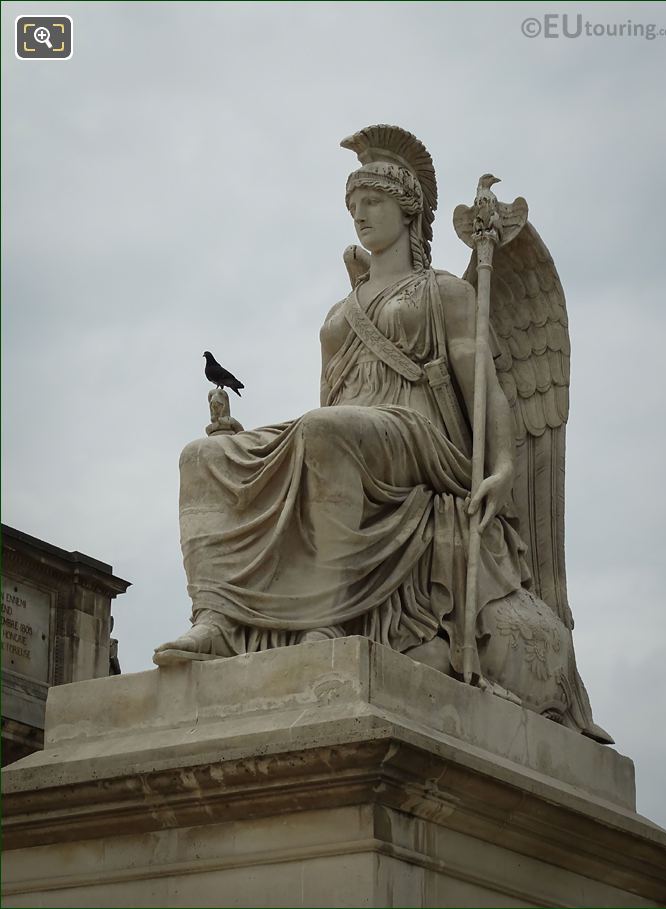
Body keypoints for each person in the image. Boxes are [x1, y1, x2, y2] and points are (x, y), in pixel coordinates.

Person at [154, 125, 610, 742]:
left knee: (325, 433)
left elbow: (488, 389)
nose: (360, 216)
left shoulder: (443, 291)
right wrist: (257, 447)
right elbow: (332, 408)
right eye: (353, 206)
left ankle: (328, 618)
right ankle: (219, 617)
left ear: (408, 209)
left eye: (372, 203)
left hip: (425, 442)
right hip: (352, 436)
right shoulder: (339, 314)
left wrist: (502, 466)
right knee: (203, 456)